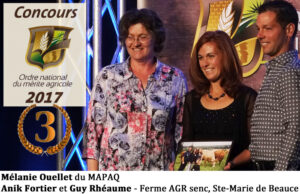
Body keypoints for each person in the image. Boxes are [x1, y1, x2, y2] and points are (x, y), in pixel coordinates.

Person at [82, 9, 187, 171]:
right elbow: (92, 136)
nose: (135, 43)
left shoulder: (175, 78)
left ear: (155, 38)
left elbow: (181, 133)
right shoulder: (107, 77)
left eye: (143, 37)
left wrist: (180, 166)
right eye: (130, 37)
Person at [182, 30, 257, 170]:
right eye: (201, 57)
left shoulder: (247, 98)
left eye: (211, 56)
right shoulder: (191, 99)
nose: (205, 63)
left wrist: (232, 164)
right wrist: (180, 164)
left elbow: (256, 146)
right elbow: (187, 143)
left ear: (226, 57)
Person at [249, 0, 300, 170]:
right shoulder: (277, 70)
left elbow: (295, 125)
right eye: (259, 29)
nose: (259, 35)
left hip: (279, 168)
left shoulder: (288, 72)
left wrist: (280, 174)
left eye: (268, 28)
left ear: (289, 30)